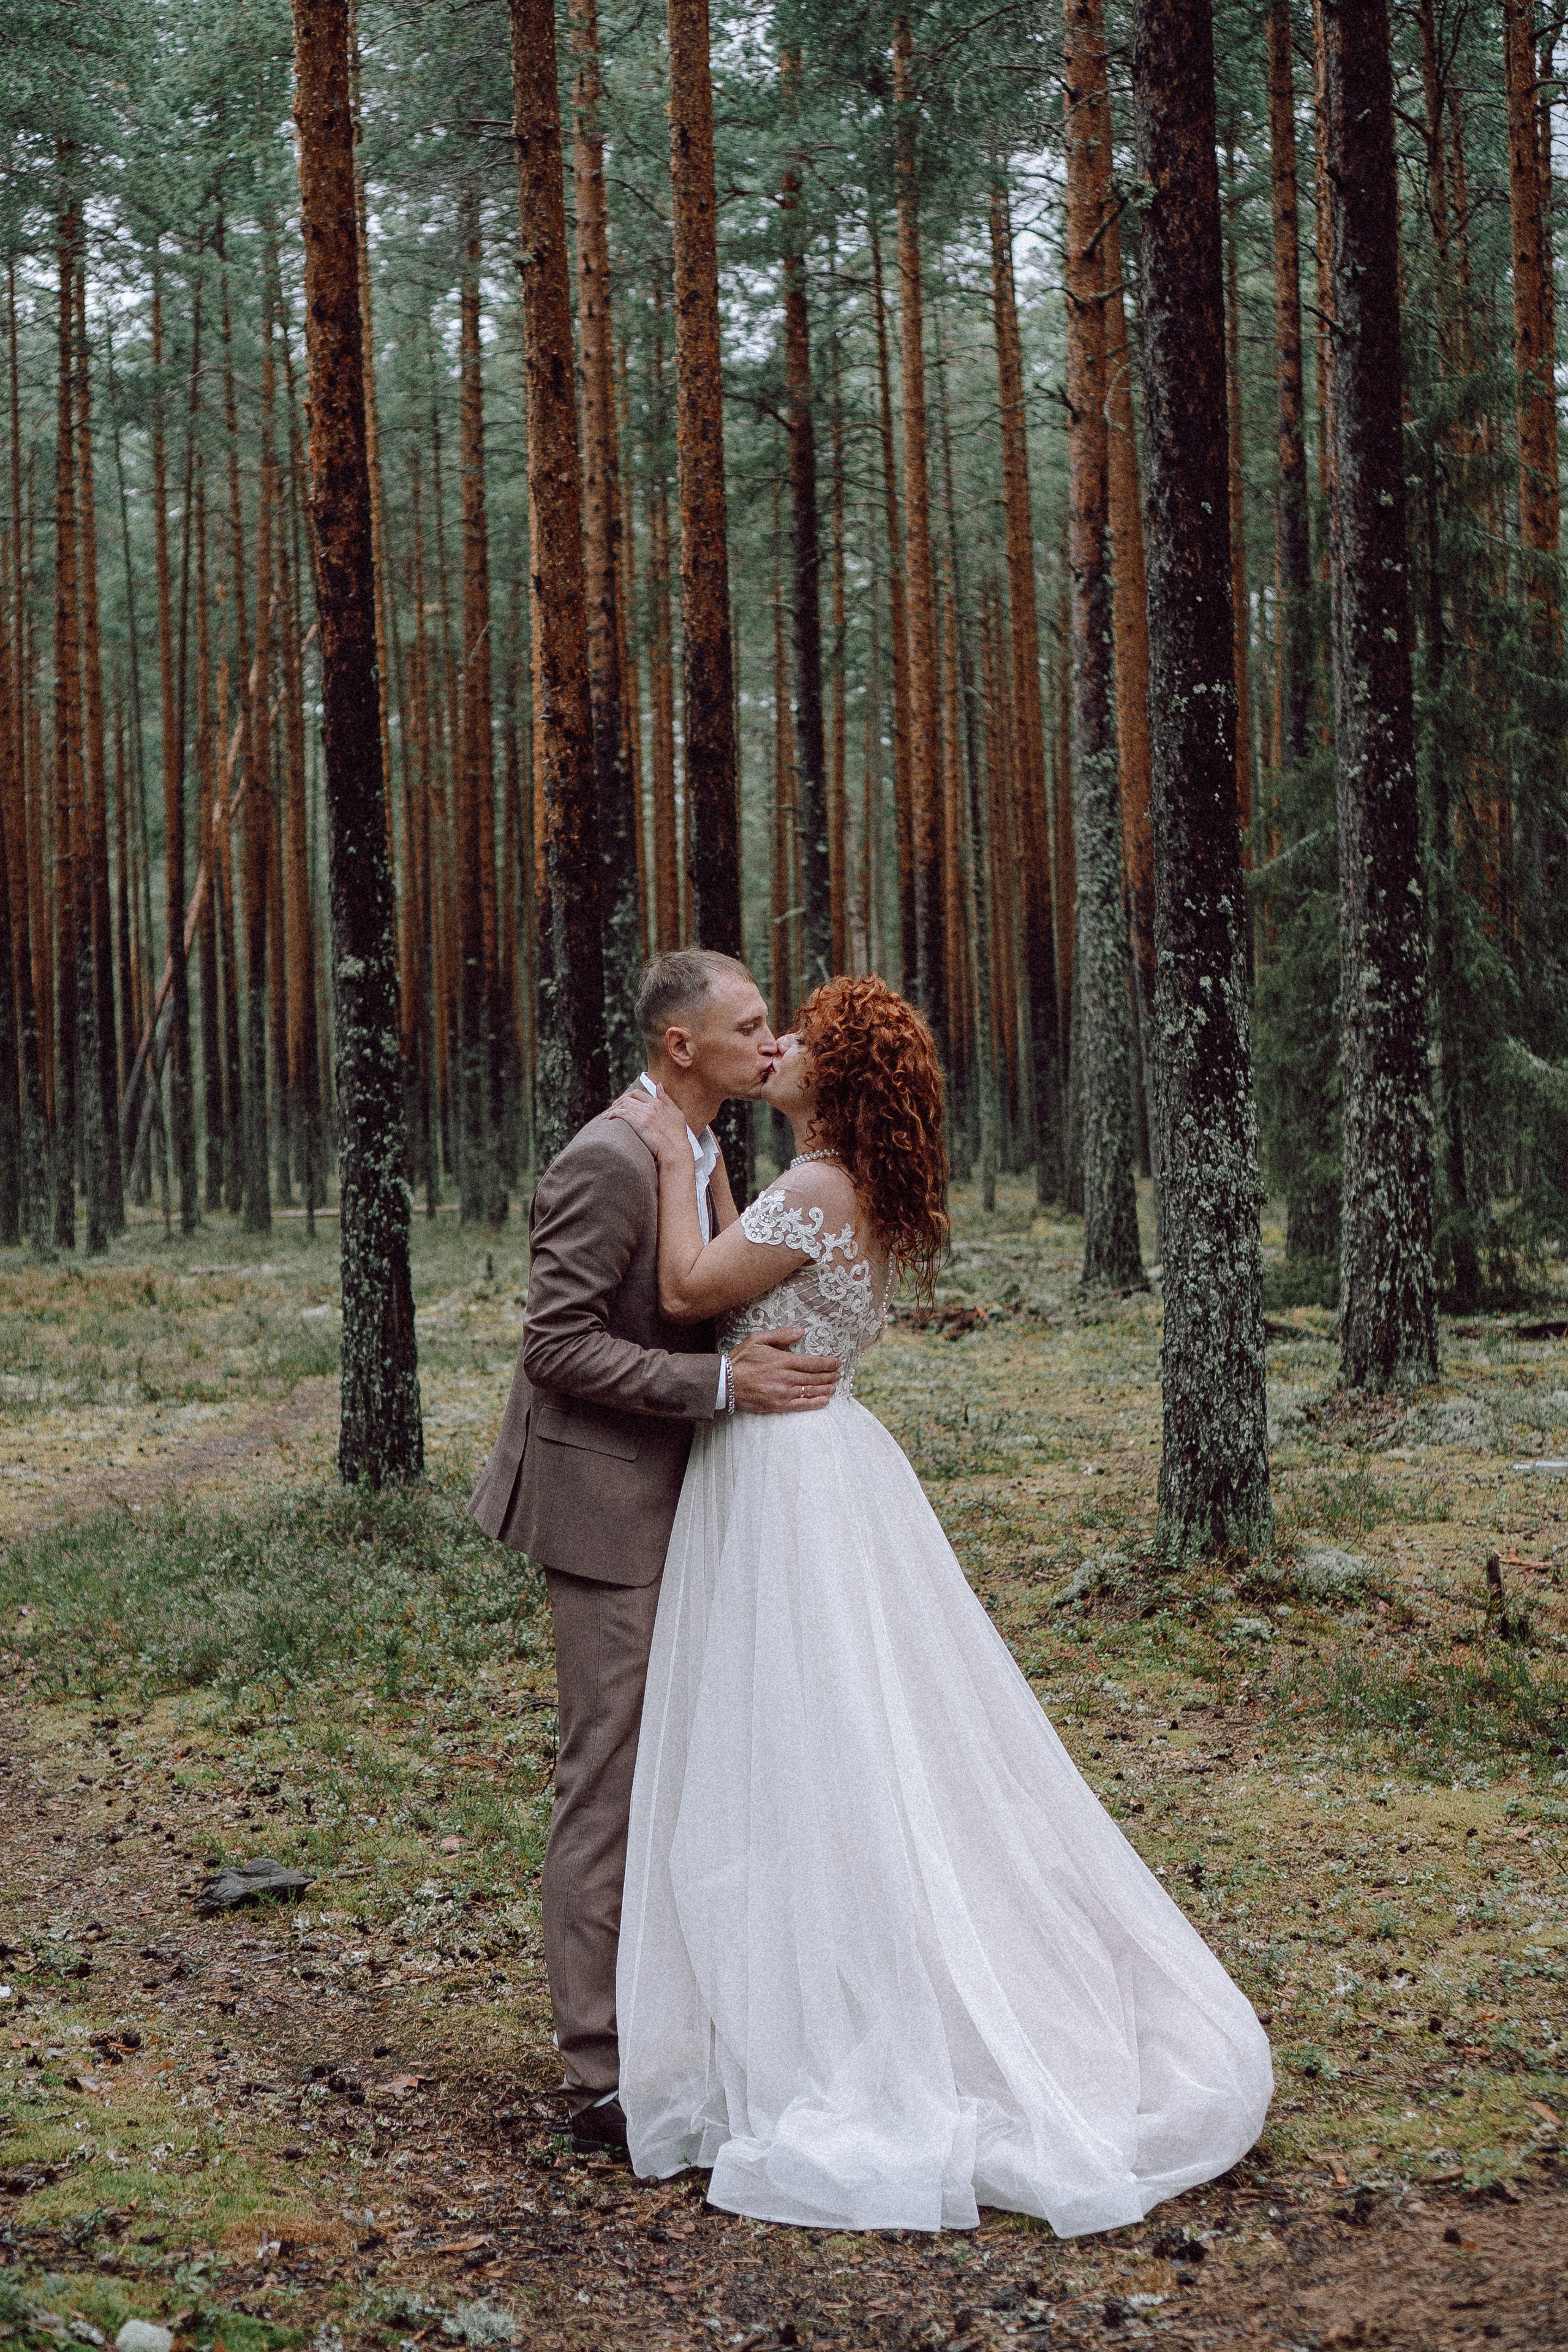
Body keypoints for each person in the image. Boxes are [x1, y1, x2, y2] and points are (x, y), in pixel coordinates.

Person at [606, 973, 1272, 2236]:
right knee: (845, 1738)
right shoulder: (845, 1187)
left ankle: (835, 2013)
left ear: (840, 1077)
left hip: (784, 1476)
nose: (780, 1046)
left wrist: (663, 1147)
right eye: (773, 1028)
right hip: (827, 1459)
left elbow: (692, 1292)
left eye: (804, 1038)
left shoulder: (812, 1190)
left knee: (801, 1741)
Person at [470, 949, 840, 2158]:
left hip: (692, 1498)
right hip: (600, 1508)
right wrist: (723, 1382)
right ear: (681, 1046)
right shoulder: (608, 1157)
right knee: (609, 1779)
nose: (768, 1039)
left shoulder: (705, 1150)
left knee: (685, 1769)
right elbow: (556, 1348)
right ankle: (597, 2070)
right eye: (746, 1025)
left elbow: (702, 1290)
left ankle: (674, 2025)